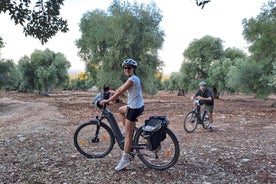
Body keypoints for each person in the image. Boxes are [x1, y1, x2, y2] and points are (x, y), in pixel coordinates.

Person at [100, 58, 144, 171]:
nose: (126, 70)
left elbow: (121, 91)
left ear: (133, 69)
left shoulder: (132, 79)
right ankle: (127, 129)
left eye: (129, 68)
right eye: (125, 68)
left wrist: (107, 100)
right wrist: (112, 92)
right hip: (134, 106)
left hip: (134, 109)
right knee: (120, 110)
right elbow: (120, 89)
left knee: (128, 136)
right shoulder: (132, 79)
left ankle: (125, 159)